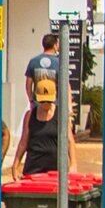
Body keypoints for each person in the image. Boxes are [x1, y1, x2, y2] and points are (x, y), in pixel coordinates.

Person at [22, 28, 68, 177]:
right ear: (55, 45)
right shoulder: (59, 63)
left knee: (33, 134)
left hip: (38, 104)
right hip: (56, 105)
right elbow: (66, 85)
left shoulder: (33, 61)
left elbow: (28, 83)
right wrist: (67, 106)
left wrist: (31, 100)